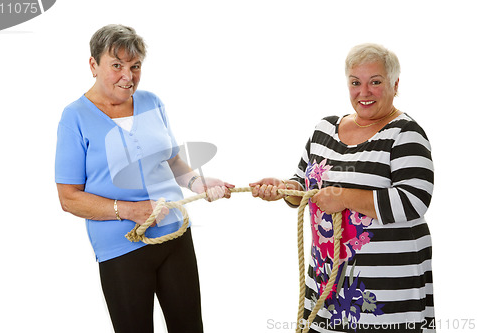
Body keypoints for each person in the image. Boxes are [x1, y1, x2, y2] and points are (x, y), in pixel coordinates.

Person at [55, 24, 233, 333]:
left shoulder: (152, 102)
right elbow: (69, 197)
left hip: (175, 235)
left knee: (190, 327)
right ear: (93, 65)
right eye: (117, 66)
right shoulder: (75, 118)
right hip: (122, 247)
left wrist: (197, 183)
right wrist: (129, 210)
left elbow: (173, 160)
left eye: (135, 66)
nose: (128, 76)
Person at [250, 43, 435, 332]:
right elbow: (302, 184)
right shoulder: (324, 130)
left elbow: (413, 201)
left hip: (385, 292)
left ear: (395, 84)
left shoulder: (405, 134)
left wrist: (345, 197)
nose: (364, 92)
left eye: (375, 82)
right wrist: (284, 189)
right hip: (327, 284)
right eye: (355, 82)